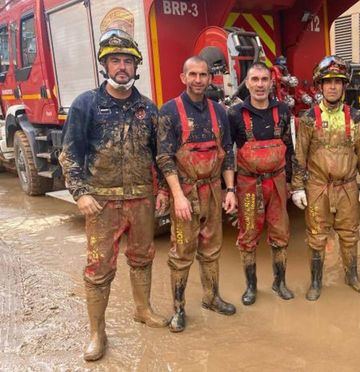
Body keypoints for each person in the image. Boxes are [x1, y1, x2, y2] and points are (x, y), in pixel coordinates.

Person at [59, 29, 167, 361]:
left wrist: (162, 190)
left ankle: (142, 309)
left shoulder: (148, 109)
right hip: (101, 202)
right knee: (98, 268)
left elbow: (160, 154)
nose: (122, 66)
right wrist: (79, 194)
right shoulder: (86, 105)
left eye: (128, 61)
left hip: (141, 199)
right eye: (115, 60)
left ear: (137, 67)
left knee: (143, 257)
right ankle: (97, 332)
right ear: (105, 64)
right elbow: (69, 154)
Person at [156, 56, 237, 333]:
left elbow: (226, 153)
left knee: (212, 248)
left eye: (203, 75)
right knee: (181, 252)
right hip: (186, 192)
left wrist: (230, 190)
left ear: (210, 78)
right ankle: (178, 309)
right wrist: (176, 195)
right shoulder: (169, 112)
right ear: (183, 77)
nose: (199, 80)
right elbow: (165, 158)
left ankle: (211, 297)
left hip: (213, 189)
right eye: (193, 74)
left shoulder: (219, 111)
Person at [291, 55, 360, 301]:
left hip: (348, 186)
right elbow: (300, 156)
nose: (333, 86)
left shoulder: (355, 117)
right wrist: (297, 188)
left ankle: (352, 277)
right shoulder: (308, 118)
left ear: (345, 85)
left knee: (350, 234)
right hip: (318, 188)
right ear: (320, 86)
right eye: (328, 82)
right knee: (316, 235)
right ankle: (316, 282)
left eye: (338, 81)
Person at [227, 62, 294, 305]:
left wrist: (290, 183)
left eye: (264, 79)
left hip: (276, 182)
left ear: (271, 82)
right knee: (248, 235)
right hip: (248, 184)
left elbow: (290, 149)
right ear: (246, 82)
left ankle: (280, 282)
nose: (259, 85)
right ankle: (251, 286)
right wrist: (230, 190)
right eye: (254, 79)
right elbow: (227, 153)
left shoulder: (283, 110)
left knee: (280, 232)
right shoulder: (235, 114)